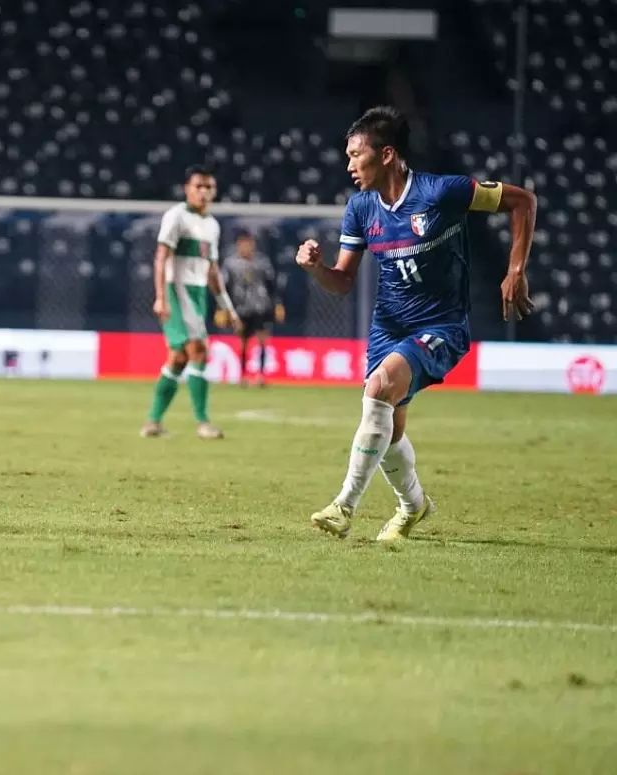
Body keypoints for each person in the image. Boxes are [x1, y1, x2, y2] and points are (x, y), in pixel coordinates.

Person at [296, 106, 535, 541]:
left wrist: (515, 269)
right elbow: (343, 282)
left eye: (355, 154)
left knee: (379, 388)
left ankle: (344, 505)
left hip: (441, 326)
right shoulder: (361, 208)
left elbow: (522, 201)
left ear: (386, 154)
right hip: (388, 327)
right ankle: (413, 506)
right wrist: (317, 269)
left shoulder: (443, 193)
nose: (349, 165)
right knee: (388, 430)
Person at [141, 165, 240, 440]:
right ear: (188, 189)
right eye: (199, 186)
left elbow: (212, 271)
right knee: (199, 350)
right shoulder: (176, 217)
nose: (204, 192)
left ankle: (153, 422)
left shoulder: (212, 225)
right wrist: (161, 296)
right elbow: (161, 257)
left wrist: (227, 306)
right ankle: (203, 422)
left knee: (178, 358)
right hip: (176, 289)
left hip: (197, 293)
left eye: (209, 187)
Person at [217, 230, 285, 386]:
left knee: (262, 340)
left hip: (262, 307)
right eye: (243, 244)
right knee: (242, 342)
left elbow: (272, 285)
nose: (246, 247)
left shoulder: (262, 263)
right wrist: (222, 308)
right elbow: (224, 287)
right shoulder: (230, 264)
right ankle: (242, 375)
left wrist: (278, 305)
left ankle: (261, 375)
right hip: (240, 308)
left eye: (249, 244)